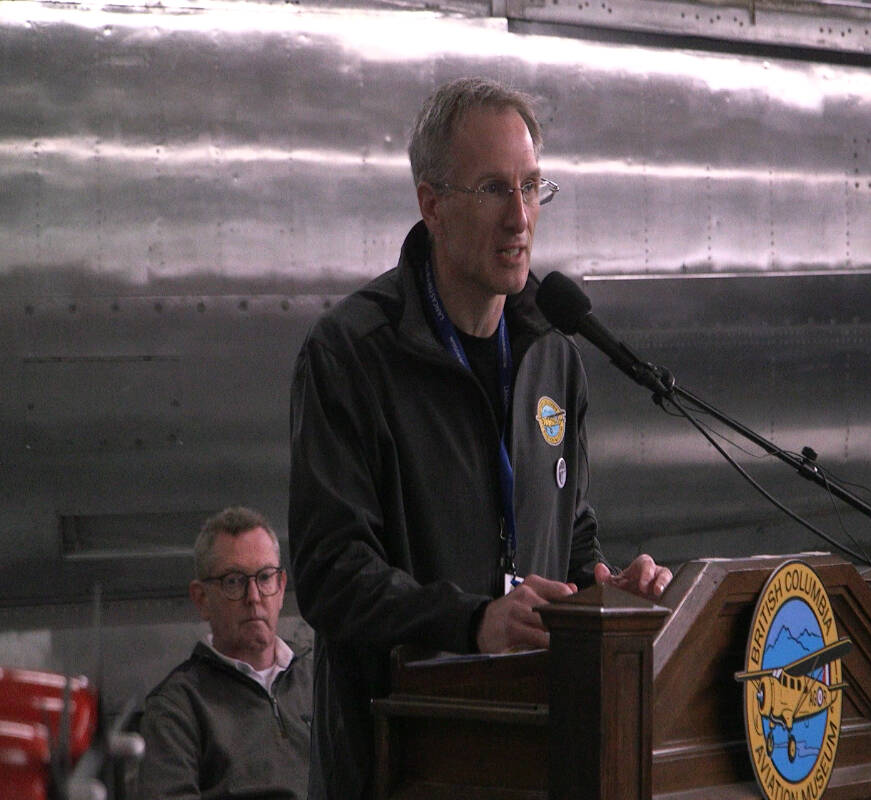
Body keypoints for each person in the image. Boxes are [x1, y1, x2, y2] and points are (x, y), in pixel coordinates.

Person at [288, 76, 672, 800]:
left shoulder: (552, 353)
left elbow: (567, 532)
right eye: (494, 189)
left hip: (532, 758)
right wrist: (473, 622)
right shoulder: (351, 355)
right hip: (397, 765)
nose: (520, 217)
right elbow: (329, 573)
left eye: (532, 187)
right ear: (431, 204)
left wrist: (605, 590)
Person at [134, 507, 313, 800]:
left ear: (281, 588)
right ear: (201, 599)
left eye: (265, 577)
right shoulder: (178, 706)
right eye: (234, 581)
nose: (253, 597)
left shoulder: (319, 679)